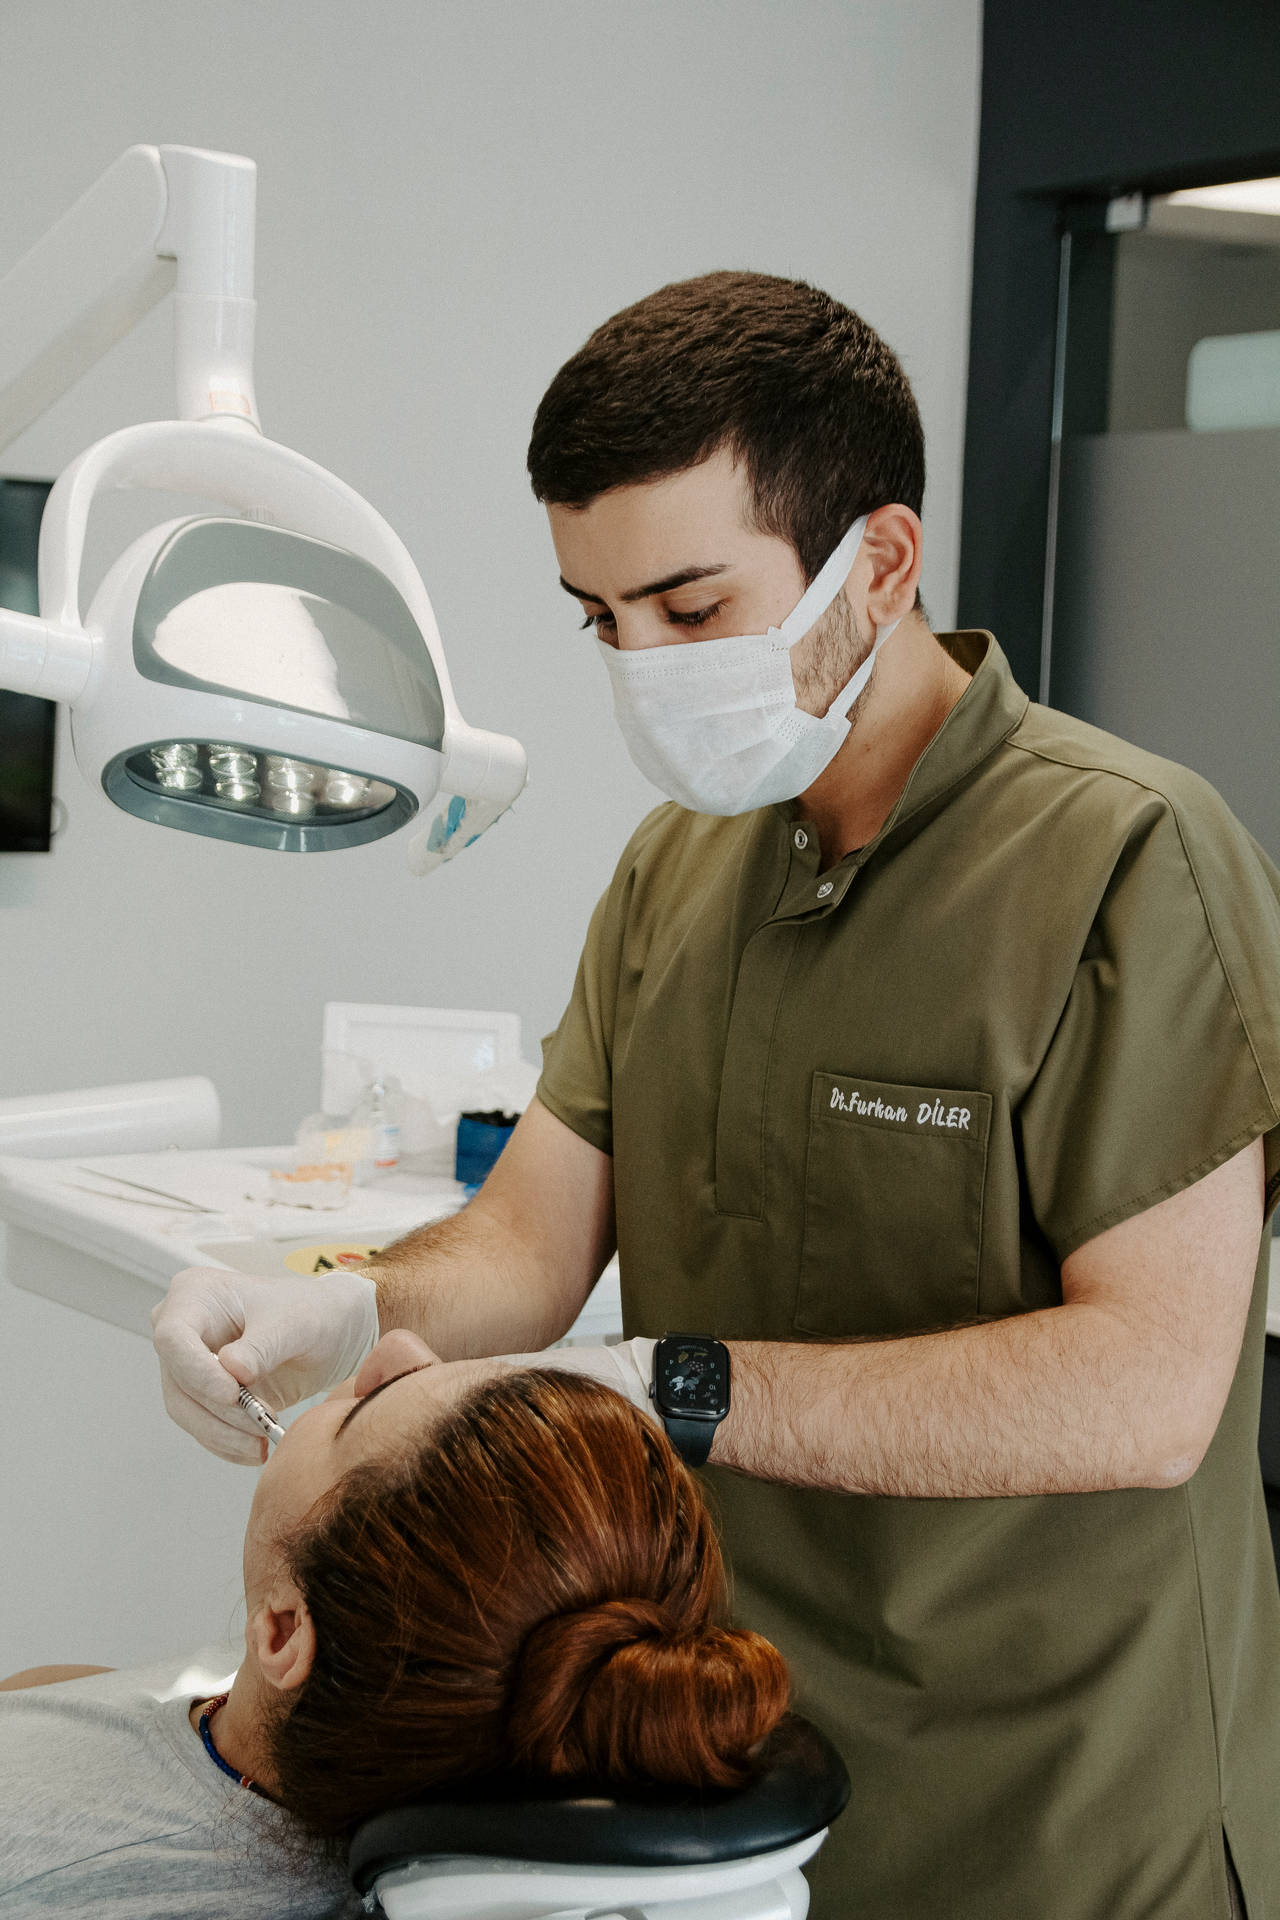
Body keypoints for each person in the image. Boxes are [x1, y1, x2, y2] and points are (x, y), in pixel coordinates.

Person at [153, 270, 1280, 1920]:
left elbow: (1150, 1389)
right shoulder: (680, 870)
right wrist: (332, 1310)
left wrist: (669, 1385)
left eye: (690, 610)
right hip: (733, 1791)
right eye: (600, 620)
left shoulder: (1126, 862)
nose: (643, 666)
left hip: (1059, 1814)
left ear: (878, 561)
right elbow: (527, 1251)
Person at [0, 1337, 789, 1917]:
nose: (399, 1347)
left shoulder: (47, 1851)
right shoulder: (395, 1697)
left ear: (282, 1634)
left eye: (362, 1412)